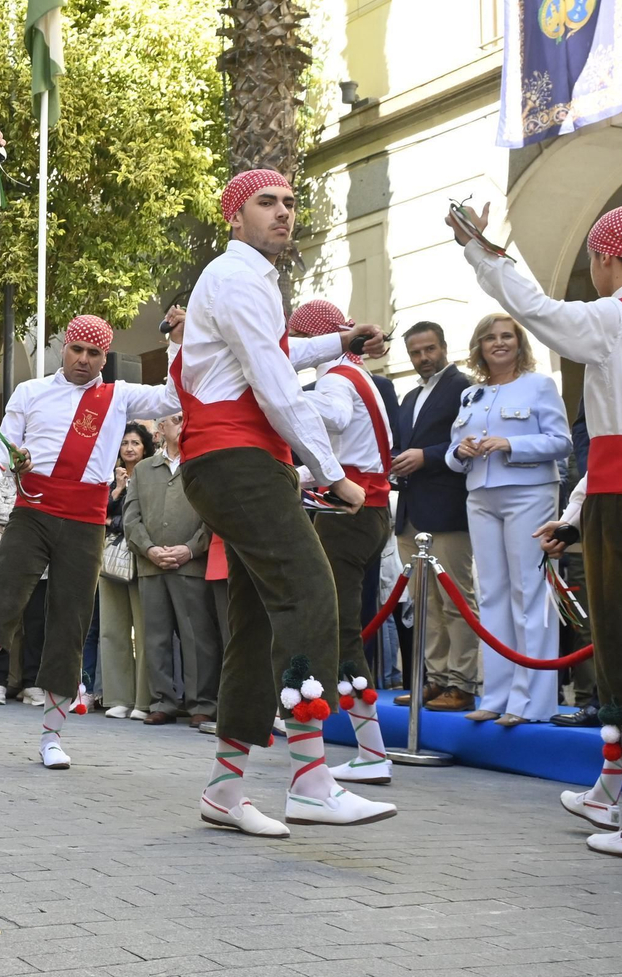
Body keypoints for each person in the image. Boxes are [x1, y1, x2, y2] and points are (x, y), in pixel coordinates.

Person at [450, 201, 622, 865]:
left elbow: (535, 310)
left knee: (620, 659)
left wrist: (478, 249)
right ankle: (606, 793)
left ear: (605, 257)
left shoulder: (616, 316)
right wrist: (574, 510)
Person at [174, 169, 395, 836]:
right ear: (233, 217)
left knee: (257, 621)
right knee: (309, 595)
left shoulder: (245, 280)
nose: (283, 212)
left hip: (235, 462)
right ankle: (310, 780)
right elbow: (275, 382)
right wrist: (333, 473)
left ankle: (225, 788)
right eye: (265, 202)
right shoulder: (239, 279)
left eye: (290, 202)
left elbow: (276, 350)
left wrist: (340, 342)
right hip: (240, 461)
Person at [0, 316, 177, 768]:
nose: (83, 360)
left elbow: (173, 397)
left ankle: (52, 737)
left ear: (104, 358)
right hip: (33, 511)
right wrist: (14, 458)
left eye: (94, 353)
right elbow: (2, 449)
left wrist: (177, 344)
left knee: (70, 620)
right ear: (64, 348)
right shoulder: (30, 392)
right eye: (76, 350)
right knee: (4, 596)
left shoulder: (119, 396)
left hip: (85, 521)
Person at [286, 299, 398, 783]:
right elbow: (348, 457)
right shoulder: (359, 376)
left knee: (337, 626)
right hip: (370, 510)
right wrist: (295, 475)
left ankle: (371, 753)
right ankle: (370, 749)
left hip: (347, 515)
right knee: (343, 624)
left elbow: (331, 418)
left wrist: (278, 394)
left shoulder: (334, 379)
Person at [446, 313, 570, 725]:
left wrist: (510, 443)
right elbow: (452, 453)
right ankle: (496, 695)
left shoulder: (539, 385)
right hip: (480, 495)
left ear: (519, 343)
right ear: (479, 347)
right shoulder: (471, 395)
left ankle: (531, 702)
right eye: (490, 338)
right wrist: (460, 451)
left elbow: (561, 442)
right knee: (492, 593)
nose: (498, 343)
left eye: (506, 336)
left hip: (529, 492)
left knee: (529, 591)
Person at [391, 322, 480, 712]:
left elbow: (471, 440)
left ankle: (462, 683)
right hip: (410, 510)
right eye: (415, 352)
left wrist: (425, 456)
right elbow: (403, 444)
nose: (423, 357)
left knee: (455, 600)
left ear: (444, 346)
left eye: (429, 349)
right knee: (423, 602)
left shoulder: (464, 388)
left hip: (447, 509)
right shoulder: (410, 396)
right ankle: (435, 679)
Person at [124, 412, 223, 727]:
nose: (184, 423)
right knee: (155, 637)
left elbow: (214, 515)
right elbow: (131, 518)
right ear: (161, 428)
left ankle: (202, 703)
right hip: (151, 565)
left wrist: (191, 549)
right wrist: (149, 549)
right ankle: (161, 701)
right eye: (177, 419)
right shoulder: (143, 469)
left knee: (197, 637)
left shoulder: (203, 465)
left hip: (191, 564)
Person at [98, 422, 153, 721]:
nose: (129, 448)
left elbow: (148, 517)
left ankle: (144, 700)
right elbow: (98, 513)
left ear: (145, 447)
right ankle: (119, 697)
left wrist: (115, 523)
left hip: (143, 556)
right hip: (111, 557)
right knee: (112, 628)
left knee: (144, 630)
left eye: (135, 443)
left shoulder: (152, 474)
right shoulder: (109, 477)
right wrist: (118, 489)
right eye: (124, 443)